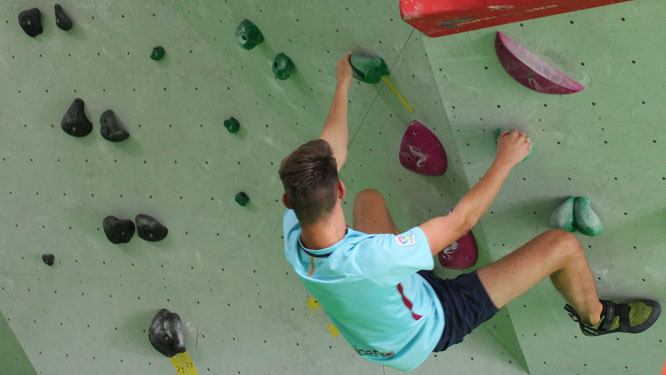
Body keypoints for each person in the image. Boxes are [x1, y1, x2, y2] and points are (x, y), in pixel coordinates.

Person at [278, 53, 661, 371]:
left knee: (370, 201)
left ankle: (415, 274)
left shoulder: (295, 231)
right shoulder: (375, 256)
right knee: (561, 246)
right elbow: (461, 221)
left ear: (288, 202)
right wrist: (505, 160)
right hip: (432, 325)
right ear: (337, 189)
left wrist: (343, 82)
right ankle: (596, 319)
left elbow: (332, 149)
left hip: (378, 332)